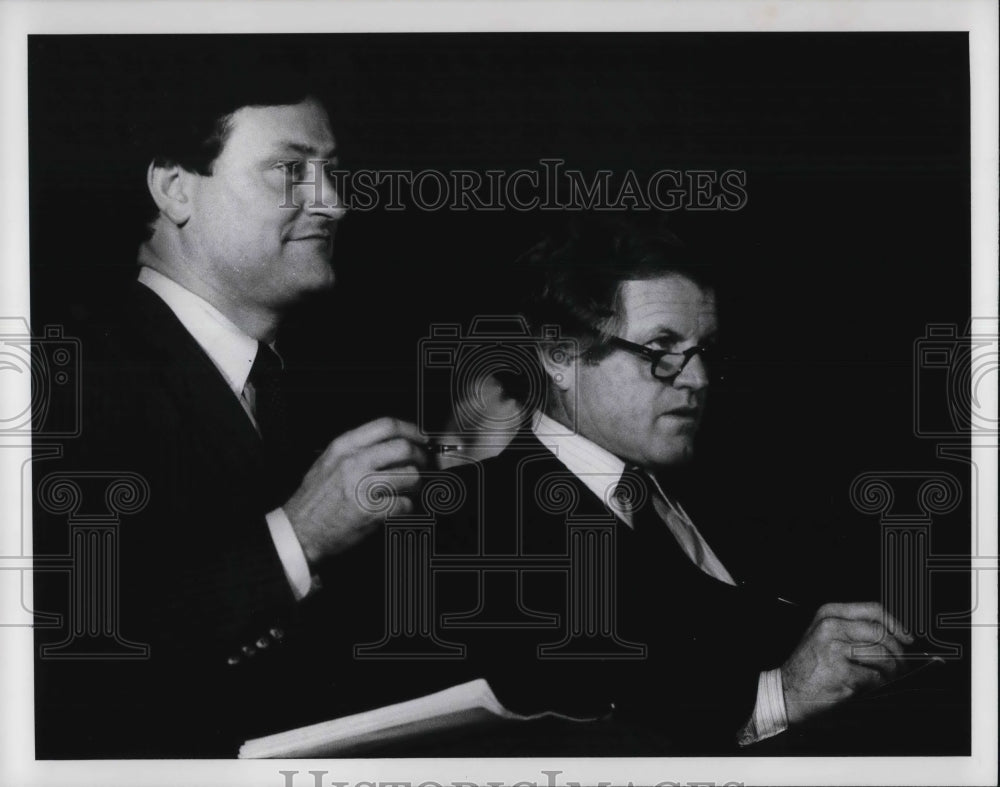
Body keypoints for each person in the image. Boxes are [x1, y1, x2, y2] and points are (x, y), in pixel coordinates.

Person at [33, 59, 429, 758]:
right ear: (175, 187)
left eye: (332, 169)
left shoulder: (311, 383)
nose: (335, 201)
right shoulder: (59, 382)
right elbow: (67, 669)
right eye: (291, 169)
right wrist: (298, 535)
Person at [416, 215, 917, 755]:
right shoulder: (468, 517)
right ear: (559, 356)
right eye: (661, 348)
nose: (696, 379)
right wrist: (778, 697)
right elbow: (565, 731)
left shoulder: (725, 484)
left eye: (704, 350)